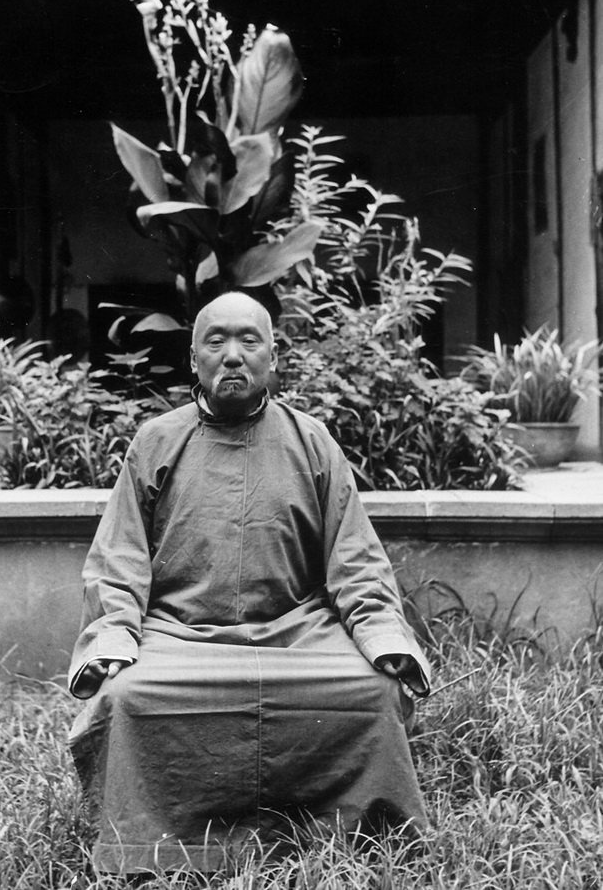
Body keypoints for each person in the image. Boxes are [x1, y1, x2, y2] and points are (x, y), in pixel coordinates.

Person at [67, 291, 431, 876]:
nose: (232, 355)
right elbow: (119, 559)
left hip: (298, 636)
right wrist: (113, 637)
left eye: (248, 340)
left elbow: (356, 559)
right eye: (216, 341)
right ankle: (152, 849)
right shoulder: (156, 442)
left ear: (273, 356)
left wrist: (382, 635)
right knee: (127, 696)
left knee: (372, 690)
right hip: (181, 638)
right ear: (194, 359)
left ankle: (359, 836)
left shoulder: (312, 441)